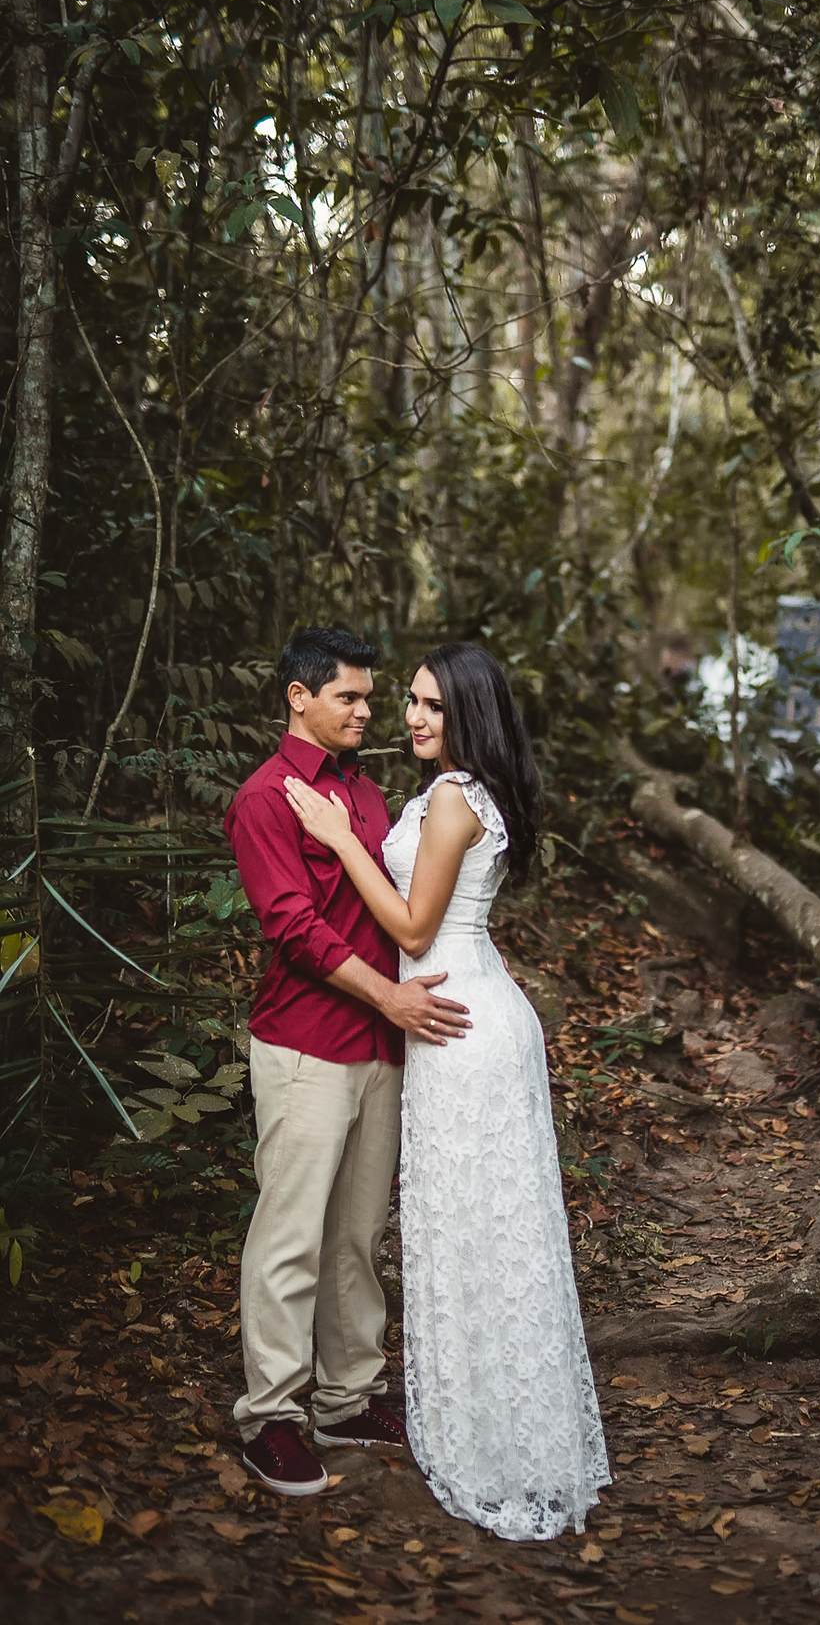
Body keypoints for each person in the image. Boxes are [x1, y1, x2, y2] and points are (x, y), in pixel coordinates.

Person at [283, 642, 610, 1541]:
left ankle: (498, 1443)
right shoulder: (466, 794)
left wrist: (341, 837)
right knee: (486, 1227)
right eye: (412, 705)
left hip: (453, 1024)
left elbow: (416, 925)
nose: (415, 719)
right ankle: (500, 1424)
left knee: (472, 1228)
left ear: (470, 713)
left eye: (434, 706)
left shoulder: (454, 798)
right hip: (468, 1008)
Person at [225, 625, 472, 1498]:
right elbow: (294, 930)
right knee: (290, 1236)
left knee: (358, 1234)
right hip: (306, 1045)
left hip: (382, 1044)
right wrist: (392, 998)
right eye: (351, 698)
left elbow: (405, 907)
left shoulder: (367, 796)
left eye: (374, 698)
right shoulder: (266, 799)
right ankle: (271, 1416)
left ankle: (346, 1395)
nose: (371, 712)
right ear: (299, 698)